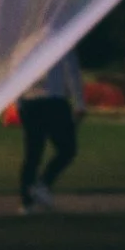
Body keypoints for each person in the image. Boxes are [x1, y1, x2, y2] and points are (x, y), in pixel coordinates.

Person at [18, 49, 85, 212]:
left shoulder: (24, 46)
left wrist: (19, 103)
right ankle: (43, 184)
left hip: (30, 102)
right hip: (54, 101)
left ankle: (27, 202)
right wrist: (79, 103)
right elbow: (72, 71)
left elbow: (16, 76)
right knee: (67, 149)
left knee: (33, 154)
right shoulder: (63, 39)